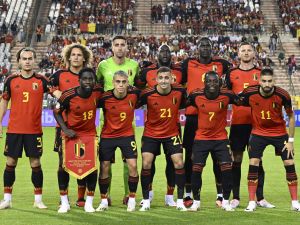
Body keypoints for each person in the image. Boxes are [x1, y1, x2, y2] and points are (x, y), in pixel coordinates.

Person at [241, 68, 300, 212]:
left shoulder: (283, 95)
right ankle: (251, 202)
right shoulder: (250, 92)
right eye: (264, 81)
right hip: (258, 133)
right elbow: (236, 100)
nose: (267, 84)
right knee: (253, 162)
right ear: (259, 81)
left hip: (279, 133)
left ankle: (295, 202)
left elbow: (291, 117)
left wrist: (290, 141)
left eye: (270, 81)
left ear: (274, 81)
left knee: (289, 162)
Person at [181, 37, 231, 207]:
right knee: (190, 157)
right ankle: (189, 193)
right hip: (193, 117)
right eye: (201, 46)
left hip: (214, 115)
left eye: (207, 46)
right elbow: (178, 81)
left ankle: (220, 194)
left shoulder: (222, 64)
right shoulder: (188, 63)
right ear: (197, 48)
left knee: (219, 158)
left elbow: (231, 79)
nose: (204, 49)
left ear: (212, 48)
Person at [225, 42, 274, 209]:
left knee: (257, 160)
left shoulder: (260, 73)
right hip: (238, 123)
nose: (246, 53)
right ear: (238, 54)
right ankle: (236, 197)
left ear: (254, 53)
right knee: (236, 159)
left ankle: (260, 198)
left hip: (256, 124)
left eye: (249, 50)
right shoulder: (231, 73)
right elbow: (225, 96)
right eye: (243, 50)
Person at [0, 48, 49, 209]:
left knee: (35, 163)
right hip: (14, 130)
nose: (27, 61)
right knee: (10, 162)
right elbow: (4, 102)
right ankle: (7, 199)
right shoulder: (11, 80)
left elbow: (57, 93)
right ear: (19, 61)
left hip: (34, 131)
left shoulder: (42, 80)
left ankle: (38, 199)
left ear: (34, 60)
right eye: (24, 58)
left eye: (30, 58)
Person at [136, 44, 182, 206]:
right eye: (162, 51)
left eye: (167, 51)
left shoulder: (180, 76)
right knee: (148, 161)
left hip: (172, 130)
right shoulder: (147, 80)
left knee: (174, 162)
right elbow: (136, 95)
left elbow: (188, 99)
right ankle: (147, 195)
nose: (165, 54)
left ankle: (171, 196)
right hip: (152, 132)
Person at [96, 35, 139, 205]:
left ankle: (129, 194)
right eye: (117, 45)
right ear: (112, 48)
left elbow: (138, 88)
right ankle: (106, 196)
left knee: (129, 162)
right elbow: (97, 86)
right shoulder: (103, 65)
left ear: (127, 47)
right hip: (106, 121)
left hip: (128, 121)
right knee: (106, 161)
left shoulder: (134, 65)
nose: (120, 48)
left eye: (123, 45)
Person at [187, 71, 238, 212]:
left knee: (227, 170)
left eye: (215, 81)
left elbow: (243, 101)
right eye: (209, 81)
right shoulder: (195, 95)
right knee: (196, 171)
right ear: (204, 83)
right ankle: (196, 202)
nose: (212, 84)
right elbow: (182, 103)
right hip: (201, 139)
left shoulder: (227, 95)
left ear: (219, 83)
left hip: (221, 139)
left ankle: (226, 201)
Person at [53, 68, 102, 213]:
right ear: (79, 80)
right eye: (85, 79)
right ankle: (64, 202)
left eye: (91, 79)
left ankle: (89, 202)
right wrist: (65, 129)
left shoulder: (97, 92)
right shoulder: (68, 95)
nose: (88, 82)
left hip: (90, 136)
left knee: (91, 168)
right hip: (71, 136)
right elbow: (56, 111)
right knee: (63, 166)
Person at [50, 43, 93, 208]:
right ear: (68, 57)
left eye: (79, 55)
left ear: (84, 58)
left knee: (84, 162)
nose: (76, 57)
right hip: (63, 127)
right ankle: (64, 198)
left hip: (85, 129)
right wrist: (55, 92)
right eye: (73, 54)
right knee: (63, 163)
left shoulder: (89, 76)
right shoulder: (59, 75)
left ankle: (81, 198)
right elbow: (48, 85)